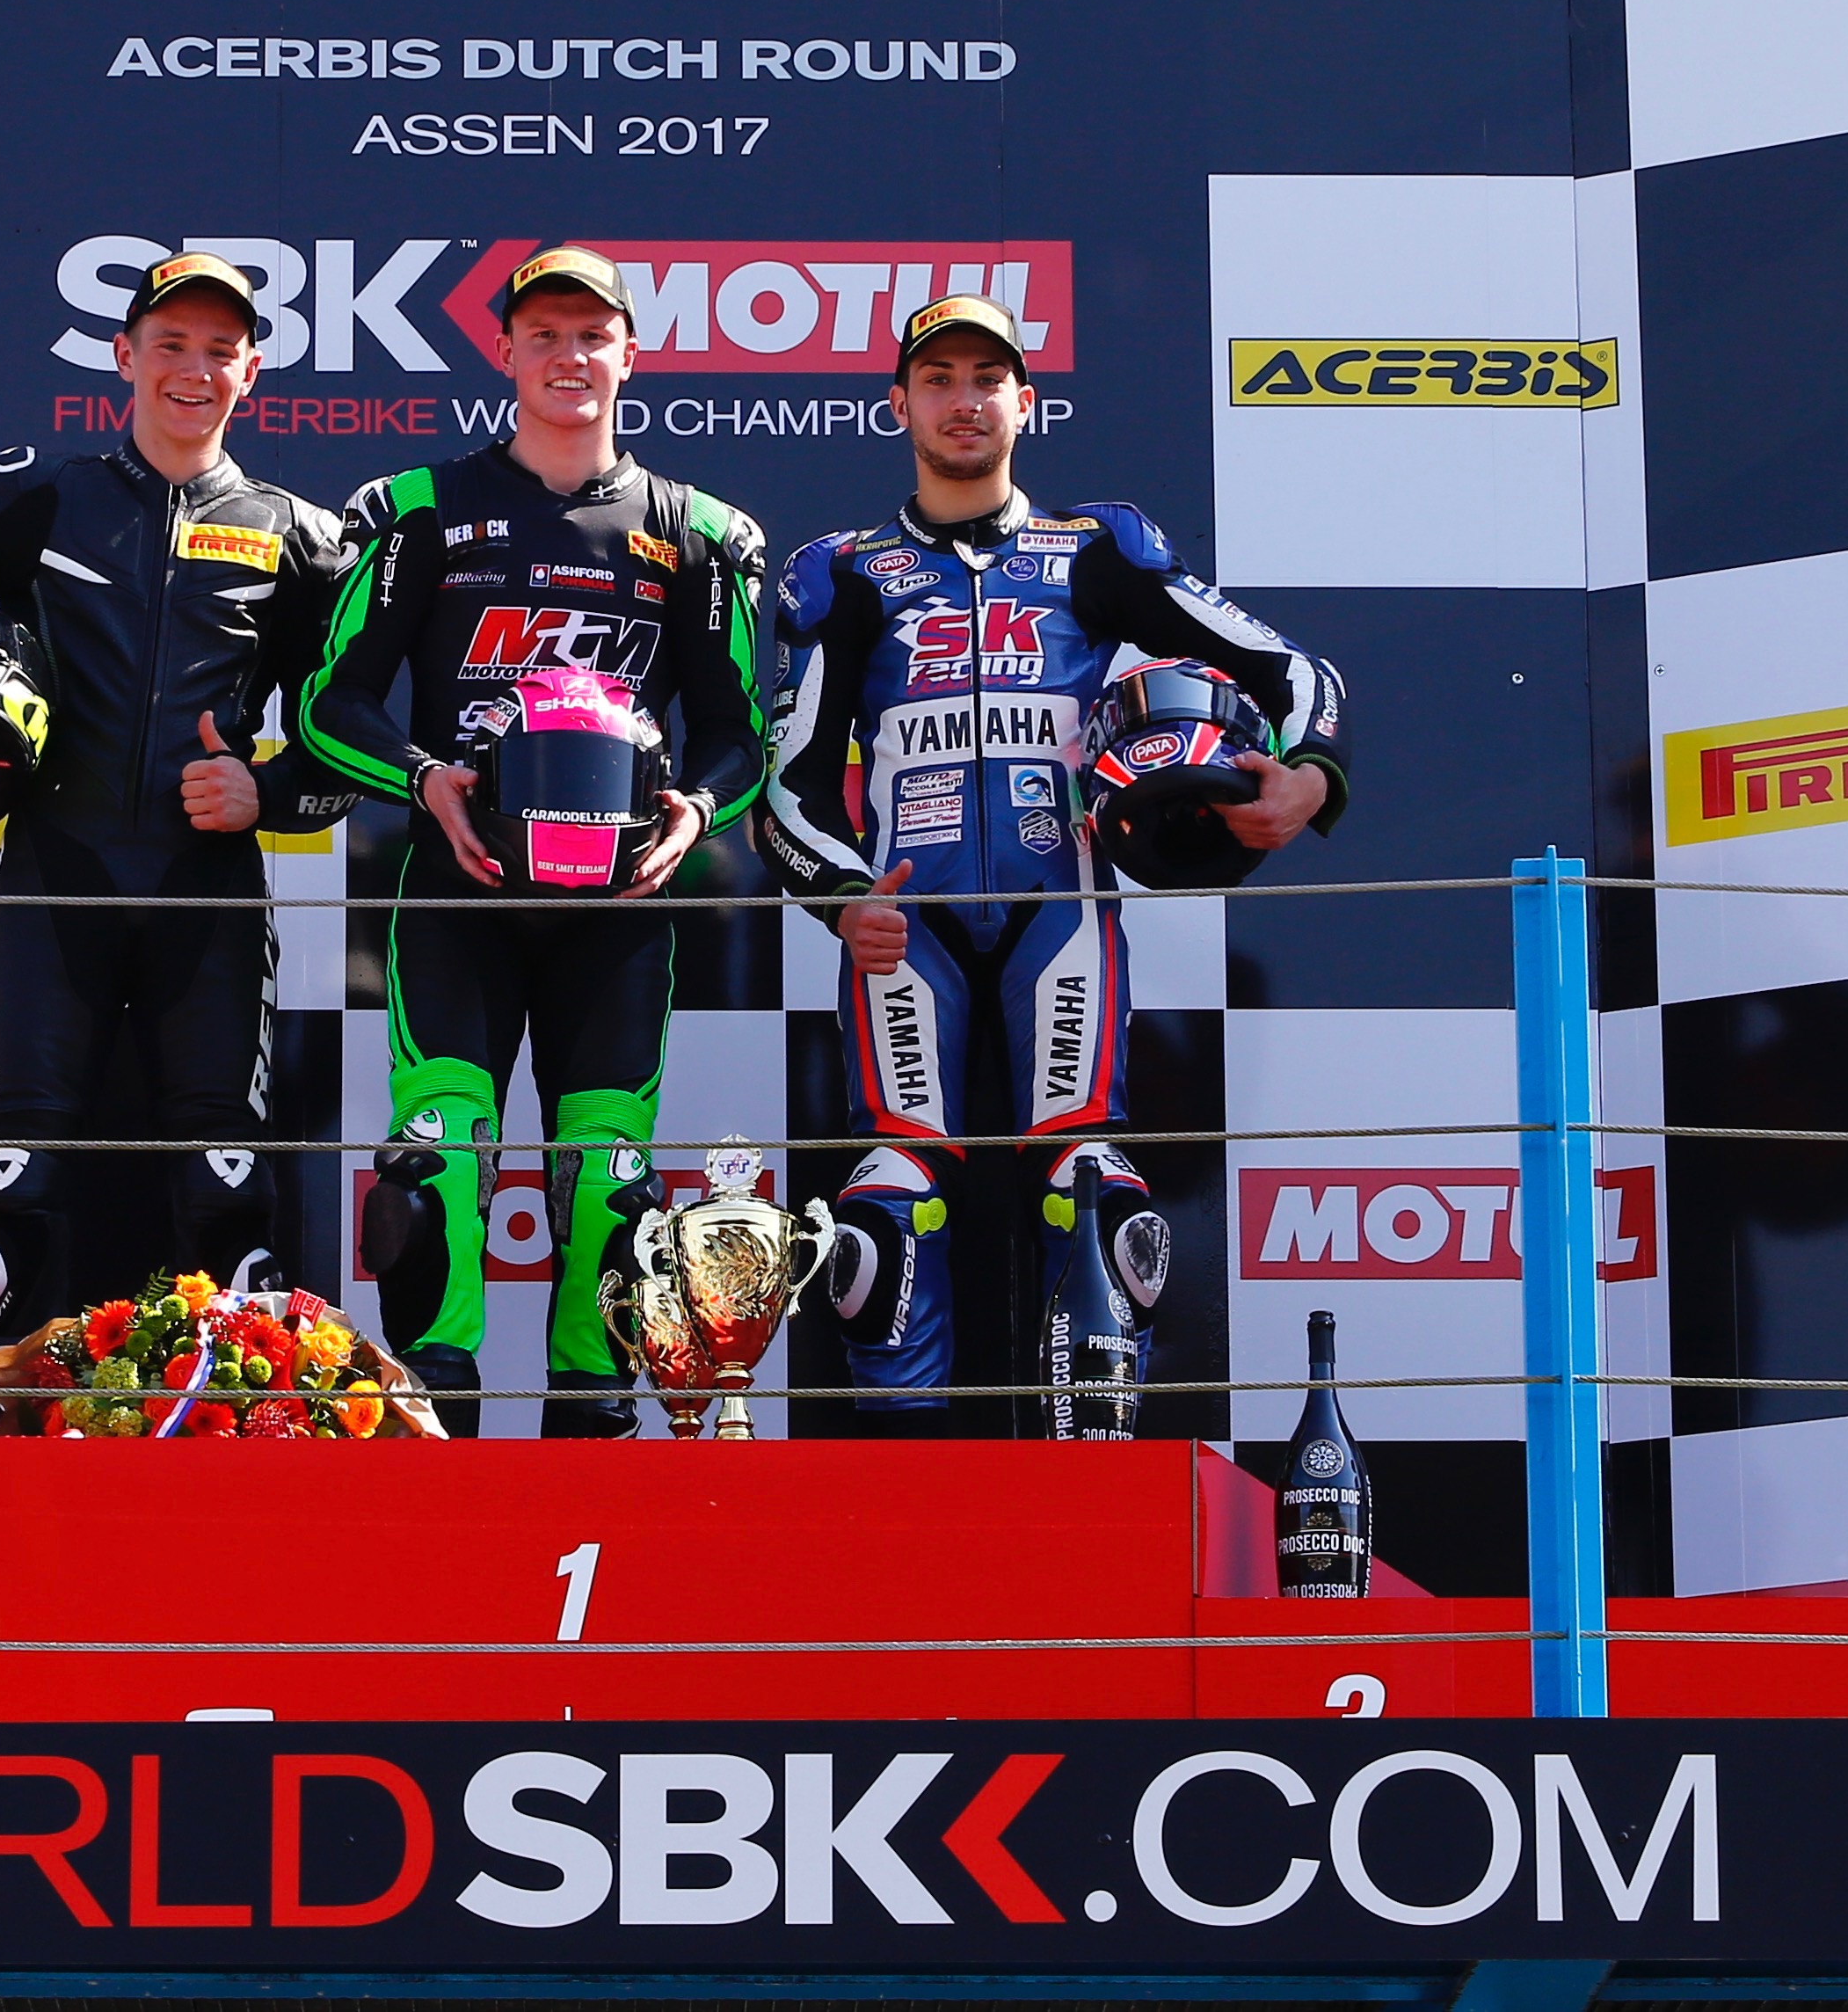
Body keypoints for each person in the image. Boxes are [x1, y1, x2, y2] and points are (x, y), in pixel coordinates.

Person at [760, 293, 1351, 1437]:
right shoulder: (846, 572)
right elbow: (788, 785)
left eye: (988, 379)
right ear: (898, 405)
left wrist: (1310, 773)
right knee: (883, 1216)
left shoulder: (1093, 551)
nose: (964, 401)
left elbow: (1289, 671)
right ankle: (906, 1486)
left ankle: (1092, 1468)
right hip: (906, 921)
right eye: (939, 379)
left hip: (1062, 908)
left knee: (1094, 1191)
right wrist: (839, 899)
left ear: (1025, 403)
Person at [0, 252, 355, 1395]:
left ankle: (240, 1442)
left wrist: (271, 792)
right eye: (171, 345)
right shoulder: (42, 494)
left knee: (228, 1188)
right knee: (15, 1182)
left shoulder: (297, 533)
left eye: (220, 350)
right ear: (123, 355)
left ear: (252, 372)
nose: (194, 370)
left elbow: (356, 736)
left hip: (207, 893)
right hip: (53, 881)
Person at [297, 246, 769, 1434]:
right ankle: (431, 1426)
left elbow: (740, 735)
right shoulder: (419, 507)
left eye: (592, 334)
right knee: (430, 1168)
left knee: (611, 1186)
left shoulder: (700, 533)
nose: (570, 356)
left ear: (631, 354)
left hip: (619, 910)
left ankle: (592, 1433)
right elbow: (329, 704)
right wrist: (427, 780)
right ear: (503, 349)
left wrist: (695, 811)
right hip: (455, 888)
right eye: (544, 334)